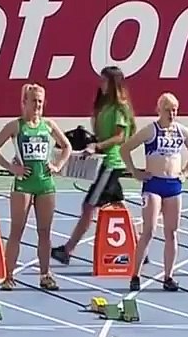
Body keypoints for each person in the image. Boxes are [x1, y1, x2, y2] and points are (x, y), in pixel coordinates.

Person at [0, 83, 72, 291]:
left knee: (45, 232)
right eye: (34, 101)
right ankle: (8, 276)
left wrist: (58, 165)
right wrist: (11, 167)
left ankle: (45, 275)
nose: (37, 105)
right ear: (24, 102)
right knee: (17, 230)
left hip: (45, 184)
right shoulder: (16, 126)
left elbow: (67, 146)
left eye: (40, 101)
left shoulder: (48, 125)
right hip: (23, 184)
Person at [52, 66, 136, 266]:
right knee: (119, 204)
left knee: (89, 206)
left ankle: (68, 250)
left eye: (105, 80)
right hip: (105, 161)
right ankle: (140, 246)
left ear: (113, 83)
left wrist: (97, 146)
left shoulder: (119, 109)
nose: (101, 84)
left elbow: (119, 137)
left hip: (110, 163)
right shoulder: (104, 107)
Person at [121, 93, 188, 292]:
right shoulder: (151, 130)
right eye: (167, 110)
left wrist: (185, 172)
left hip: (173, 186)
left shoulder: (182, 131)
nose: (171, 114)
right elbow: (125, 149)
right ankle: (136, 275)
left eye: (174, 110)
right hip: (153, 185)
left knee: (172, 232)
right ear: (159, 110)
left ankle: (168, 276)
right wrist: (134, 172)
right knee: (149, 230)